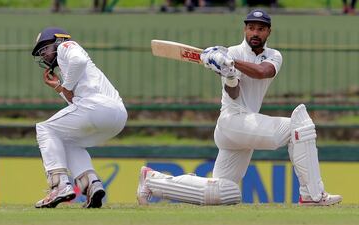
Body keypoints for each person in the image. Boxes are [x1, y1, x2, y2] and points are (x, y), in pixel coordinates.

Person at [137, 9, 342, 206]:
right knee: (299, 127)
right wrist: (228, 73)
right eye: (251, 28)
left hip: (245, 127)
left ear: (268, 32)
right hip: (232, 120)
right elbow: (232, 94)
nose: (255, 32)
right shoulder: (230, 52)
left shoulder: (273, 55)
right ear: (245, 29)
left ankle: (153, 180)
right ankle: (312, 195)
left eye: (261, 29)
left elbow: (263, 72)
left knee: (224, 192)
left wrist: (232, 63)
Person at [31, 27, 127, 208]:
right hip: (117, 116)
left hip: (97, 108)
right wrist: (59, 87)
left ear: (57, 41)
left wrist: (66, 84)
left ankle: (59, 185)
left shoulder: (66, 46)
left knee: (45, 129)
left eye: (44, 49)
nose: (43, 55)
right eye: (41, 52)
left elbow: (80, 60)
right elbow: (76, 102)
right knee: (68, 141)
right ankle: (91, 185)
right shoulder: (68, 67)